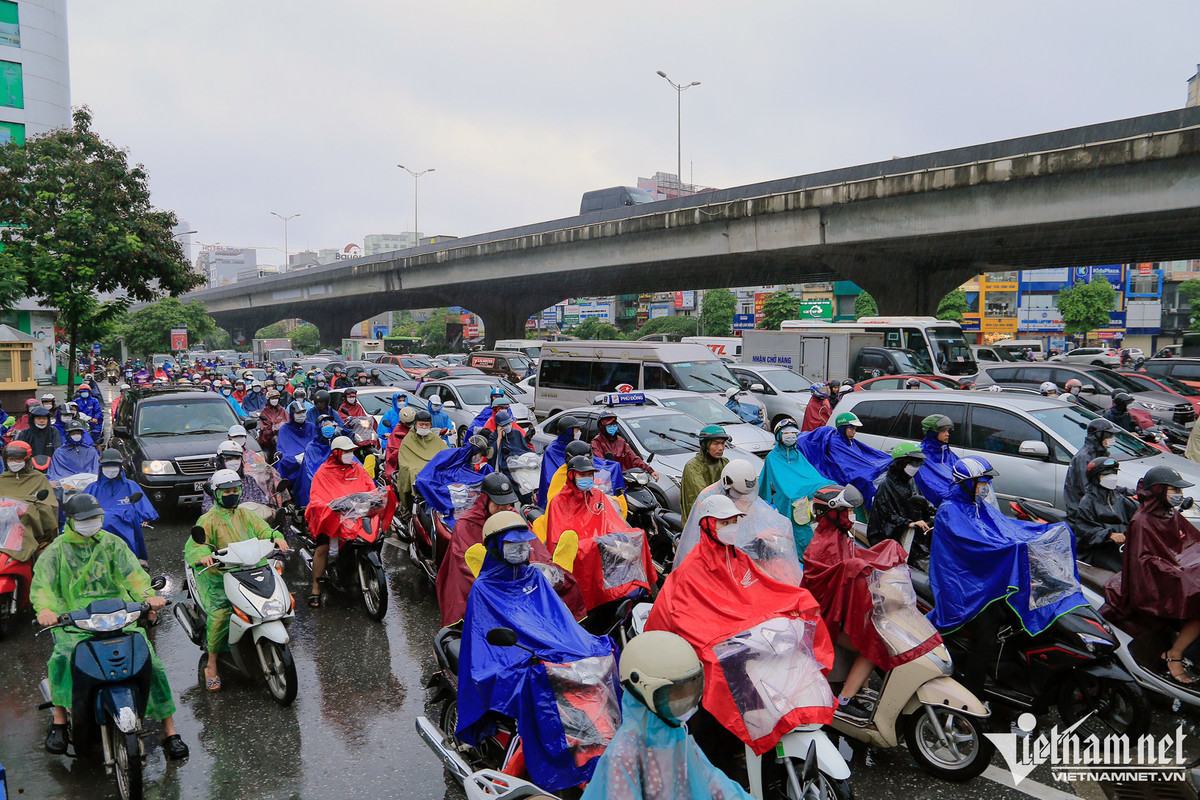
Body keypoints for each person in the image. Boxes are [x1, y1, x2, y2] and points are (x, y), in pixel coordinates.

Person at [646, 494, 835, 760]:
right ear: (709, 525)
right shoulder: (690, 569)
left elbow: (760, 592)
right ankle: (708, 762)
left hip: (742, 640)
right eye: (726, 522)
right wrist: (718, 636)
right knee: (718, 679)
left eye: (735, 520)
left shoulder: (739, 558)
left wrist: (797, 600)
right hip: (709, 650)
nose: (733, 526)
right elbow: (684, 617)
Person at [456, 511, 619, 793]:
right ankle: (499, 782)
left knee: (596, 679)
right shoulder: (484, 588)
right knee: (535, 704)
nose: (521, 550)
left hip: (547, 657)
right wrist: (527, 659)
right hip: (508, 663)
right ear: (495, 547)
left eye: (524, 544)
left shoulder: (536, 577)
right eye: (513, 545)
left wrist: (585, 645)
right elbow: (486, 642)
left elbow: (558, 621)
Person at [32, 494, 189, 759]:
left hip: (117, 614)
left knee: (151, 661)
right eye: (83, 519)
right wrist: (45, 610)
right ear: (70, 521)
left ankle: (169, 731)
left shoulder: (113, 544)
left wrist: (148, 597)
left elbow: (135, 576)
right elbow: (42, 586)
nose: (90, 523)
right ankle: (59, 720)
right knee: (63, 658)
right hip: (74, 618)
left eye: (94, 517)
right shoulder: (56, 551)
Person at [928, 457, 1087, 694]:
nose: (985, 486)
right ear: (966, 483)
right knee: (985, 639)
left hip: (985, 579)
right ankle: (973, 693)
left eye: (986, 481)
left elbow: (1006, 528)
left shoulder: (977, 505)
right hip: (964, 586)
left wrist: (1044, 531)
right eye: (981, 481)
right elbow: (978, 545)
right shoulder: (950, 511)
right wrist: (1017, 549)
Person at [801, 484, 941, 722]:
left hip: (842, 613)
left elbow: (857, 559)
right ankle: (844, 701)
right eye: (846, 512)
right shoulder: (822, 546)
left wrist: (884, 555)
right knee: (875, 645)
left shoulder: (839, 536)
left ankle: (859, 690)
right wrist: (857, 570)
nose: (851, 517)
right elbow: (833, 578)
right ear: (832, 513)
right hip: (827, 620)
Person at [580, 629, 754, 800]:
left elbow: (715, 783)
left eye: (689, 690)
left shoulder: (679, 737)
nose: (684, 699)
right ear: (641, 689)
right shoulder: (622, 758)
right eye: (674, 693)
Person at [186, 470, 289, 688]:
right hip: (219, 576)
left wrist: (276, 537)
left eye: (235, 490)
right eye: (226, 491)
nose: (232, 494)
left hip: (251, 568)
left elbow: (264, 530)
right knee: (221, 614)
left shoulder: (246, 514)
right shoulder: (209, 519)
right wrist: (203, 555)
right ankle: (212, 664)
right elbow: (195, 546)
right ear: (216, 494)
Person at [1105, 467, 1200, 684]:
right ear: (1158, 490)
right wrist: (1179, 573)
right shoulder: (1141, 522)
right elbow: (1144, 564)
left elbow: (1190, 543)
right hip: (1153, 585)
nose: (1179, 494)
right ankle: (1174, 654)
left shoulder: (1171, 514)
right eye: (1174, 489)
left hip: (1174, 575)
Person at [544, 455, 656, 613]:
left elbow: (613, 524)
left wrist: (622, 539)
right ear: (571, 475)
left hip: (602, 551)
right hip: (578, 558)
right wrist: (588, 546)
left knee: (638, 535)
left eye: (590, 475)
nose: (588, 478)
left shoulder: (597, 495)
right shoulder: (558, 502)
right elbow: (560, 543)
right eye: (583, 475)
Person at [674, 460, 805, 586]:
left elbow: (758, 512)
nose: (742, 499)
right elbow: (700, 537)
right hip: (719, 556)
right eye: (726, 522)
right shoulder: (707, 499)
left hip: (744, 554)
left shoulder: (748, 494)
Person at [304, 437, 397, 609]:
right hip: (334, 519)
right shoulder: (323, 472)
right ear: (336, 452)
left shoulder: (357, 469)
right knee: (324, 549)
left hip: (358, 515)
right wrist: (330, 507)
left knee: (376, 536)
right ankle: (316, 588)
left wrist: (378, 498)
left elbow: (371, 488)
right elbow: (316, 498)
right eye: (345, 451)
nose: (349, 454)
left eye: (350, 451)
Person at [757, 417, 834, 556]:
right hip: (789, 498)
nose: (791, 436)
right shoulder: (772, 458)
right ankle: (803, 552)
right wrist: (763, 506)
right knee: (796, 505)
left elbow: (811, 475)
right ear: (779, 436)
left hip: (807, 496)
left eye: (793, 433)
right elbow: (765, 485)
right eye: (786, 433)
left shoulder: (798, 454)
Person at [796, 412, 891, 508]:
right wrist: (869, 471)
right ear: (843, 428)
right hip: (839, 475)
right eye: (852, 429)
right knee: (866, 481)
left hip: (851, 471)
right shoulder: (836, 443)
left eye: (855, 429)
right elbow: (846, 466)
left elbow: (865, 454)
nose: (854, 432)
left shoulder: (849, 440)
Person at [84, 449, 159, 561]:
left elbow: (144, 509)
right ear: (101, 467)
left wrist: (144, 518)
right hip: (97, 531)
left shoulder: (130, 486)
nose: (110, 469)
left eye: (114, 465)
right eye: (107, 466)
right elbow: (80, 511)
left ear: (120, 467)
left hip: (124, 529)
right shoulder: (92, 488)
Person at [1066, 457, 1136, 573]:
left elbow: (1137, 511)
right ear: (1096, 478)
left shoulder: (1116, 496)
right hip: (1099, 548)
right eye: (1106, 475)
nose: (1112, 477)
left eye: (1114, 473)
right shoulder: (1088, 502)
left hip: (1121, 546)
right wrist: (1108, 534)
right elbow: (1085, 531)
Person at [867, 442, 936, 554]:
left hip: (913, 537)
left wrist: (932, 511)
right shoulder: (887, 486)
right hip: (893, 540)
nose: (916, 467)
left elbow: (919, 501)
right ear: (902, 463)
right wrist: (908, 523)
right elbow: (886, 516)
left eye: (918, 464)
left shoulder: (910, 481)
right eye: (913, 463)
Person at [0, 441, 58, 561]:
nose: (14, 462)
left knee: (46, 558)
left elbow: (49, 506)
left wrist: (28, 510)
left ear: (26, 460)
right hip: (3, 531)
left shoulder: (39, 479)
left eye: (18, 459)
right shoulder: (2, 480)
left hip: (31, 531)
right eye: (10, 459)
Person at [392, 409, 447, 529]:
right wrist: (419, 471)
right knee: (414, 474)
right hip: (417, 472)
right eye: (421, 424)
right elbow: (405, 463)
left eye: (426, 425)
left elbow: (446, 454)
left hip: (435, 473)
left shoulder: (436, 439)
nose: (424, 427)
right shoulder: (408, 440)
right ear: (415, 424)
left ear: (431, 425)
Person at [1065, 418, 1123, 508]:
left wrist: (1126, 492)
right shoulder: (1084, 457)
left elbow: (1105, 483)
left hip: (1095, 506)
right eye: (1109, 436)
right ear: (1099, 436)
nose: (1112, 439)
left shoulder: (1101, 454)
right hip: (1083, 510)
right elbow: (1087, 487)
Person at [679, 425, 729, 523]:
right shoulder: (693, 466)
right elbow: (704, 497)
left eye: (723, 443)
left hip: (724, 518)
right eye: (716, 444)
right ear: (705, 445)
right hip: (701, 521)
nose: (721, 448)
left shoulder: (725, 462)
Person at [591, 410, 657, 480]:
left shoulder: (621, 441)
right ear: (602, 427)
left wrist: (649, 470)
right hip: (608, 479)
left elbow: (633, 458)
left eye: (614, 425)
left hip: (625, 478)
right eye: (609, 425)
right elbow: (601, 462)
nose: (612, 427)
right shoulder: (597, 442)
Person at [913, 413, 961, 506]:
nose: (947, 434)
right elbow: (929, 485)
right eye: (943, 431)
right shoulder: (920, 455)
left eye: (948, 430)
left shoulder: (946, 452)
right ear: (932, 432)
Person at [294, 414, 337, 507]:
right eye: (325, 425)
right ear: (319, 428)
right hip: (318, 481)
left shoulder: (336, 443)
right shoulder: (311, 447)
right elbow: (311, 470)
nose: (329, 428)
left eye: (331, 425)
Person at [275, 401, 317, 495]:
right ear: (293, 414)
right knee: (283, 462)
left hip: (311, 457)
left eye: (303, 412)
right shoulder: (285, 429)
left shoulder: (311, 427)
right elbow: (282, 449)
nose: (301, 415)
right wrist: (295, 458)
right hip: (293, 458)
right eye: (298, 413)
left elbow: (317, 444)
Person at [383, 406, 418, 481]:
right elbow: (396, 450)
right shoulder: (398, 431)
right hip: (402, 460)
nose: (412, 425)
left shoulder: (418, 427)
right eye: (410, 423)